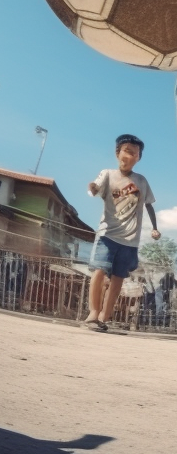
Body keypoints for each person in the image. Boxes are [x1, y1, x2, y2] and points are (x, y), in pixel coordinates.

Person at [84, 134, 161, 331]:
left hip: (130, 240)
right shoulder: (108, 174)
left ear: (138, 158)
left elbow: (149, 205)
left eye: (135, 153)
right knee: (99, 271)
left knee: (118, 277)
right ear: (118, 153)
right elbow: (96, 188)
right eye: (127, 151)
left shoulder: (141, 181)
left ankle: (104, 317)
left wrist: (155, 227)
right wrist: (92, 188)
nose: (130, 155)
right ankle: (93, 313)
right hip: (107, 234)